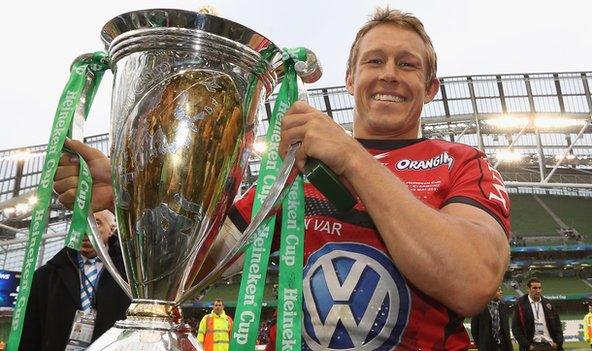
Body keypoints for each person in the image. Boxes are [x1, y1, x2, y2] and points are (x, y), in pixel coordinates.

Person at [53, 6, 511, 350]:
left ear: (431, 88)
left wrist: (351, 158)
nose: (388, 74)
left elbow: (470, 280)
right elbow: (202, 261)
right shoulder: (294, 171)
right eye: (374, 62)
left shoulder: (462, 163)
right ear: (350, 78)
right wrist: (136, 196)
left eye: (407, 65)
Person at [19, 210, 131, 350]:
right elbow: (31, 332)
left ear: (112, 229)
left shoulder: (130, 274)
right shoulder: (45, 276)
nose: (86, 230)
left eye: (96, 223)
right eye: (80, 222)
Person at [511, 277, 563, 351]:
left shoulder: (549, 304)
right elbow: (516, 328)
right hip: (532, 347)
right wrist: (527, 346)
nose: (538, 291)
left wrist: (558, 343)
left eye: (539, 288)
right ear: (528, 289)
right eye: (534, 288)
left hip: (550, 345)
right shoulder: (520, 305)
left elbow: (558, 325)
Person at [471, 286, 513, 350]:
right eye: (498, 290)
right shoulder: (480, 306)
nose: (501, 292)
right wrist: (480, 345)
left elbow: (506, 329)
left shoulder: (503, 306)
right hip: (486, 346)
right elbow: (474, 329)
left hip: (502, 346)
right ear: (491, 292)